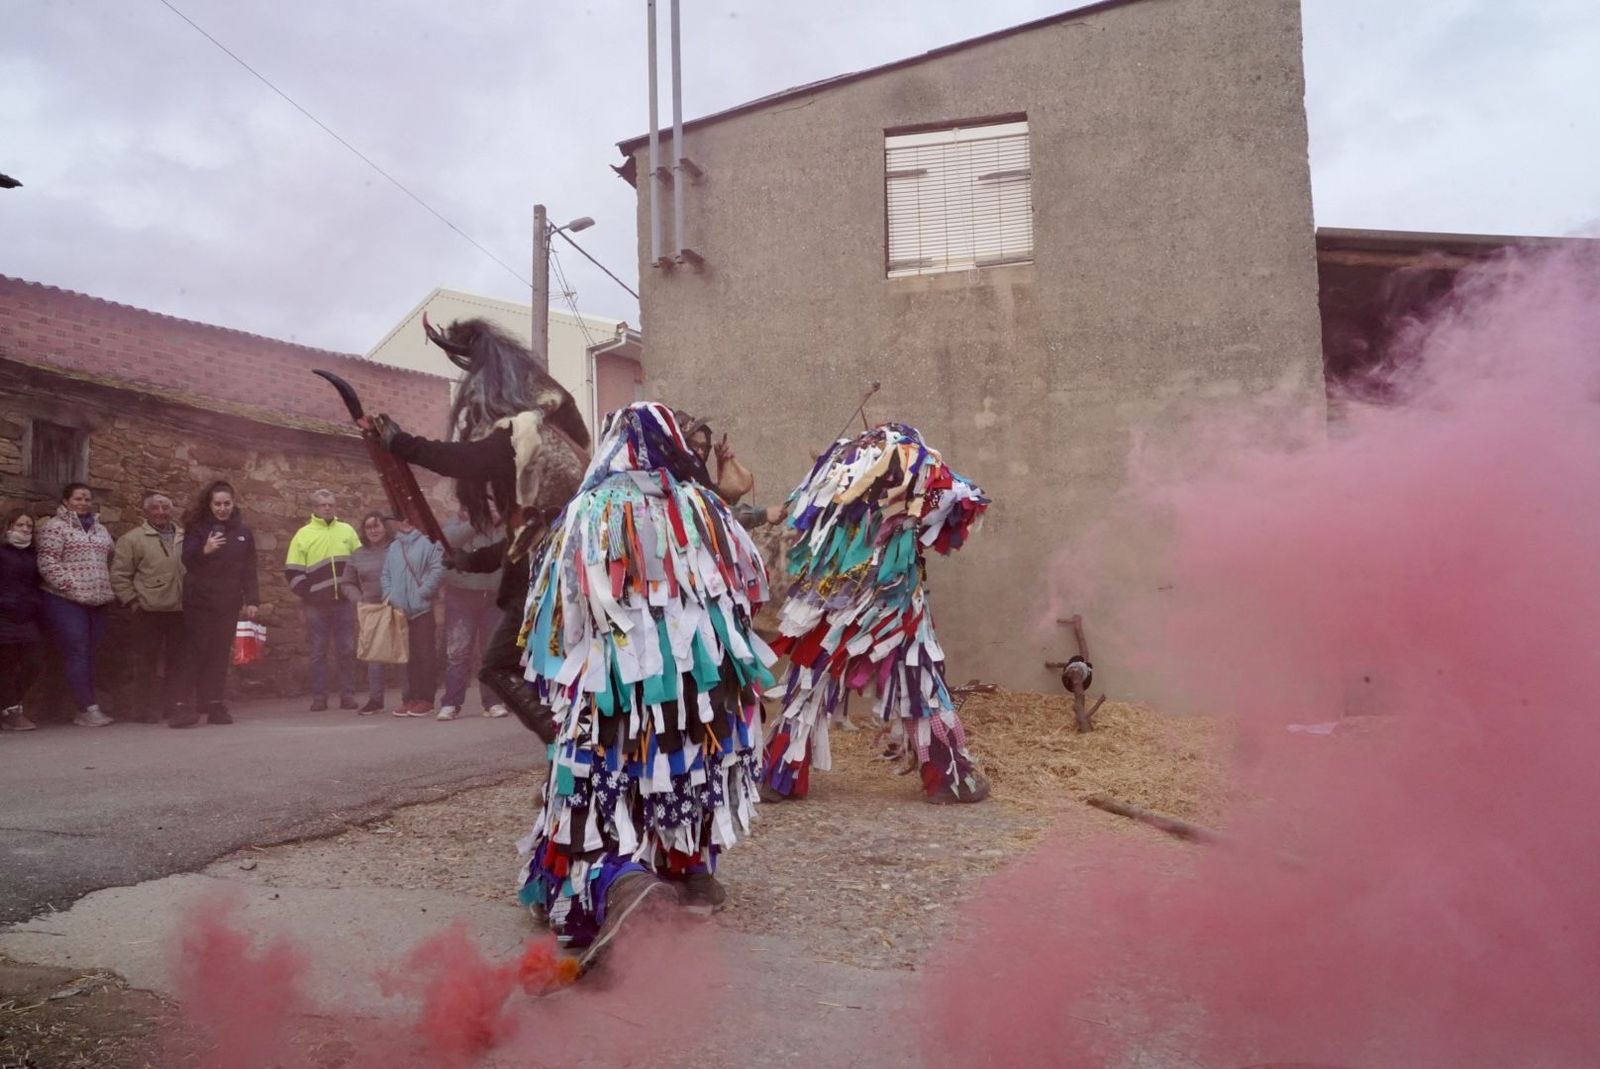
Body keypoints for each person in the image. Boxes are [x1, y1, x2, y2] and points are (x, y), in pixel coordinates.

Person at [513, 403, 777, 973]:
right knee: (688, 770)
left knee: (601, 781)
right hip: (706, 685)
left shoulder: (587, 512)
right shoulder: (708, 510)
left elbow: (563, 616)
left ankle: (621, 885)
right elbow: (751, 591)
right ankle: (693, 878)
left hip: (614, 682)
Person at [373, 315, 590, 732]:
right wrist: (471, 561)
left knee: (500, 667)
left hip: (558, 576)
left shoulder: (525, 432)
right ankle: (569, 755)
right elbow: (524, 538)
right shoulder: (542, 441)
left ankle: (567, 744)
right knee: (542, 675)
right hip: (561, 571)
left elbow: (466, 460)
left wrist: (402, 444)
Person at [760, 423, 993, 805]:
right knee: (920, 684)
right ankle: (948, 779)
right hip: (890, 600)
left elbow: (801, 515)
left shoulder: (835, 467)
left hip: (830, 596)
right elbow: (962, 504)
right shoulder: (918, 461)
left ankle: (779, 775)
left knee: (808, 683)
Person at [170, 481, 259, 729]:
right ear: (209, 504)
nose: (222, 508)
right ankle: (180, 707)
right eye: (217, 504)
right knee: (195, 651)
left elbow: (249, 568)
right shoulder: (198, 528)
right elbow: (187, 559)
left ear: (233, 503)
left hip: (228, 601)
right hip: (199, 600)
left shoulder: (243, 532)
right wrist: (205, 550)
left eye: (226, 503)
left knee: (219, 653)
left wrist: (252, 599)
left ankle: (214, 704)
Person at [36, 482, 116, 727]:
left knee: (90, 653)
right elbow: (47, 561)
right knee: (77, 650)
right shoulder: (55, 527)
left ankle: (87, 705)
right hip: (65, 600)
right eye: (78, 498)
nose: (83, 503)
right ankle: (86, 708)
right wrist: (68, 584)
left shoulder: (101, 530)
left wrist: (103, 583)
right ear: (66, 501)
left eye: (87, 499)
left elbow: (110, 556)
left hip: (98, 600)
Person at [110, 492, 185, 722]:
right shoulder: (132, 539)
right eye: (155, 508)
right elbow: (120, 575)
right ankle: (144, 709)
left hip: (181, 610)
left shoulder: (186, 535)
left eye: (165, 507)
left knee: (178, 661)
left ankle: (175, 706)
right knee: (146, 662)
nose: (161, 512)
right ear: (146, 512)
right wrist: (133, 602)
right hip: (148, 611)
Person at [284, 489, 362, 712]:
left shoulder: (347, 531)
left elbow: (359, 563)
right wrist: (309, 594)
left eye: (330, 504)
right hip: (316, 605)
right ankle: (319, 698)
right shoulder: (303, 535)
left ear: (335, 506)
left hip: (344, 603)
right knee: (318, 652)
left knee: (346, 650)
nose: (327, 508)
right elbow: (292, 571)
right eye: (322, 505)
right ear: (314, 508)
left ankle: (347, 696)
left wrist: (354, 591)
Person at [437, 506, 509, 721]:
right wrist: (475, 523)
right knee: (458, 652)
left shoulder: (500, 529)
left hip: (494, 597)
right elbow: (449, 541)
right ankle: (451, 703)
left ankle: (493, 702)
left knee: (491, 653)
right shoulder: (453, 524)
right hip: (461, 596)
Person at [381, 518, 444, 718]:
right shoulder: (393, 547)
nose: (405, 522)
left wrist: (423, 592)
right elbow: (386, 575)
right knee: (408, 657)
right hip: (401, 611)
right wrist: (390, 596)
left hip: (422, 609)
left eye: (409, 519)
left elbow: (438, 569)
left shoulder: (429, 543)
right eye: (401, 519)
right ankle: (410, 698)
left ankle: (426, 699)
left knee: (424, 655)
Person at [1, 509, 44, 732]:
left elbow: (36, 583)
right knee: (5, 666)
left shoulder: (32, 554)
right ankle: (11, 711)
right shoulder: (1, 552)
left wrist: (34, 604)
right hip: (4, 615)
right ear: (9, 527)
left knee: (33, 663)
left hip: (26, 615)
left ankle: (7, 706)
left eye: (29, 526)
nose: (25, 530)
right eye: (20, 525)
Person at [350, 510, 393, 714]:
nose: (373, 530)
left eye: (377, 526)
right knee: (374, 655)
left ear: (385, 528)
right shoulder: (358, 554)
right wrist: (360, 600)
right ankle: (375, 699)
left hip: (398, 605)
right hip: (372, 609)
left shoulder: (397, 548)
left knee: (404, 651)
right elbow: (347, 582)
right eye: (369, 527)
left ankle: (411, 698)